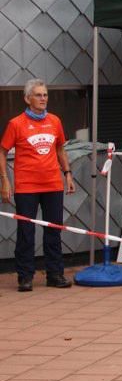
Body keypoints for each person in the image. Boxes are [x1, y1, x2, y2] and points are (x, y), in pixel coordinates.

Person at [0, 79, 76, 292]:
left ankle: (55, 274)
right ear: (27, 98)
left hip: (53, 184)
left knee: (54, 230)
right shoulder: (16, 123)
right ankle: (25, 277)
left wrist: (68, 174)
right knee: (26, 232)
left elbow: (60, 149)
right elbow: (2, 152)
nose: (43, 99)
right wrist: (5, 180)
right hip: (26, 187)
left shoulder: (55, 121)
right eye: (38, 95)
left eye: (45, 95)